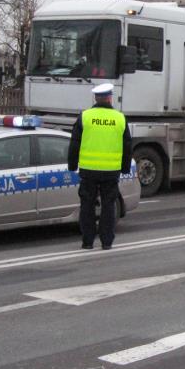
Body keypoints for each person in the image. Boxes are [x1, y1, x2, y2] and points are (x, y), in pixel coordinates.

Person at [68, 83, 132, 250]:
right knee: (109, 205)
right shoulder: (120, 118)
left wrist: (72, 165)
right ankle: (107, 242)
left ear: (96, 98)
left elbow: (75, 143)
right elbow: (127, 146)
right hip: (111, 171)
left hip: (88, 170)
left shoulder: (85, 117)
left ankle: (87, 241)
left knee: (87, 206)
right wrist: (125, 168)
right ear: (110, 98)